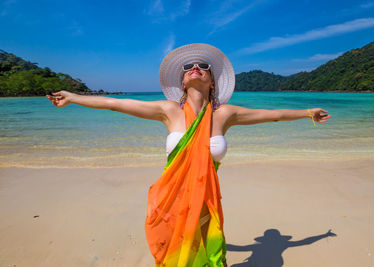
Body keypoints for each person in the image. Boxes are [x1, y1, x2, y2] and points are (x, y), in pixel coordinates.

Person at [46, 43, 331, 267]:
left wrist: (307, 113)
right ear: (182, 81)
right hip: (171, 199)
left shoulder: (225, 114)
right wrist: (73, 97)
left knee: (211, 251)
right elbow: (115, 104)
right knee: (175, 254)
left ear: (212, 82)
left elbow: (274, 115)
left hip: (206, 199)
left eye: (203, 66)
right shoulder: (168, 111)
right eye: (189, 67)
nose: (196, 68)